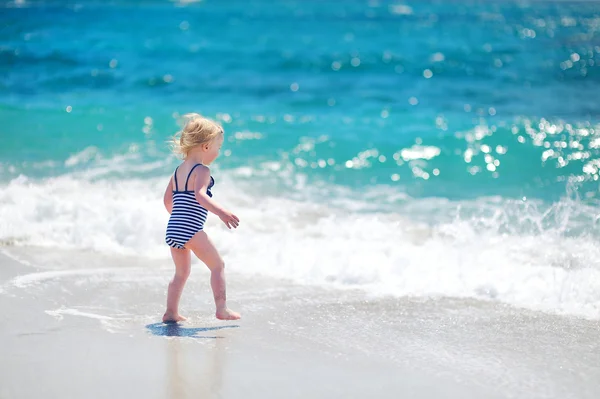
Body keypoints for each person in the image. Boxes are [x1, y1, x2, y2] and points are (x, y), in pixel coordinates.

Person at [162, 113, 241, 322]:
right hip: (190, 229)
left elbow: (167, 200)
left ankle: (171, 312)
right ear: (206, 147)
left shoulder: (177, 171)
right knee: (218, 265)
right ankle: (221, 308)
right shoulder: (202, 171)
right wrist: (222, 212)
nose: (219, 151)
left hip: (173, 229)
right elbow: (200, 195)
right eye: (218, 147)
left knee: (181, 273)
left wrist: (179, 216)